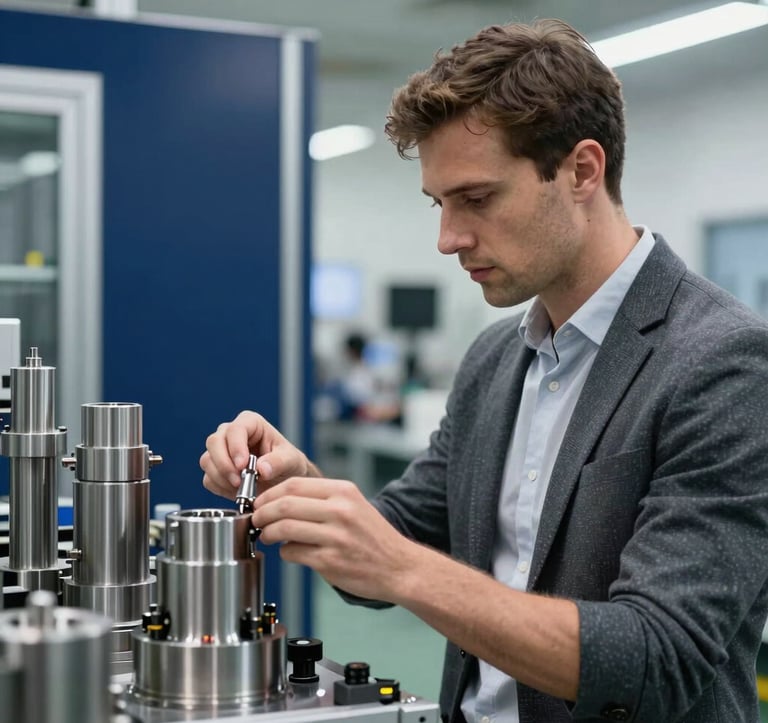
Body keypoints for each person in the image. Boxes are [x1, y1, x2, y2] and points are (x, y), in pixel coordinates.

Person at [200, 18, 768, 723]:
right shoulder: (498, 359)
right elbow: (399, 538)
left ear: (582, 171)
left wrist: (403, 568)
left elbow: (656, 657)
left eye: (477, 198)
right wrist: (305, 488)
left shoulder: (724, 362)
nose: (448, 239)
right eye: (440, 204)